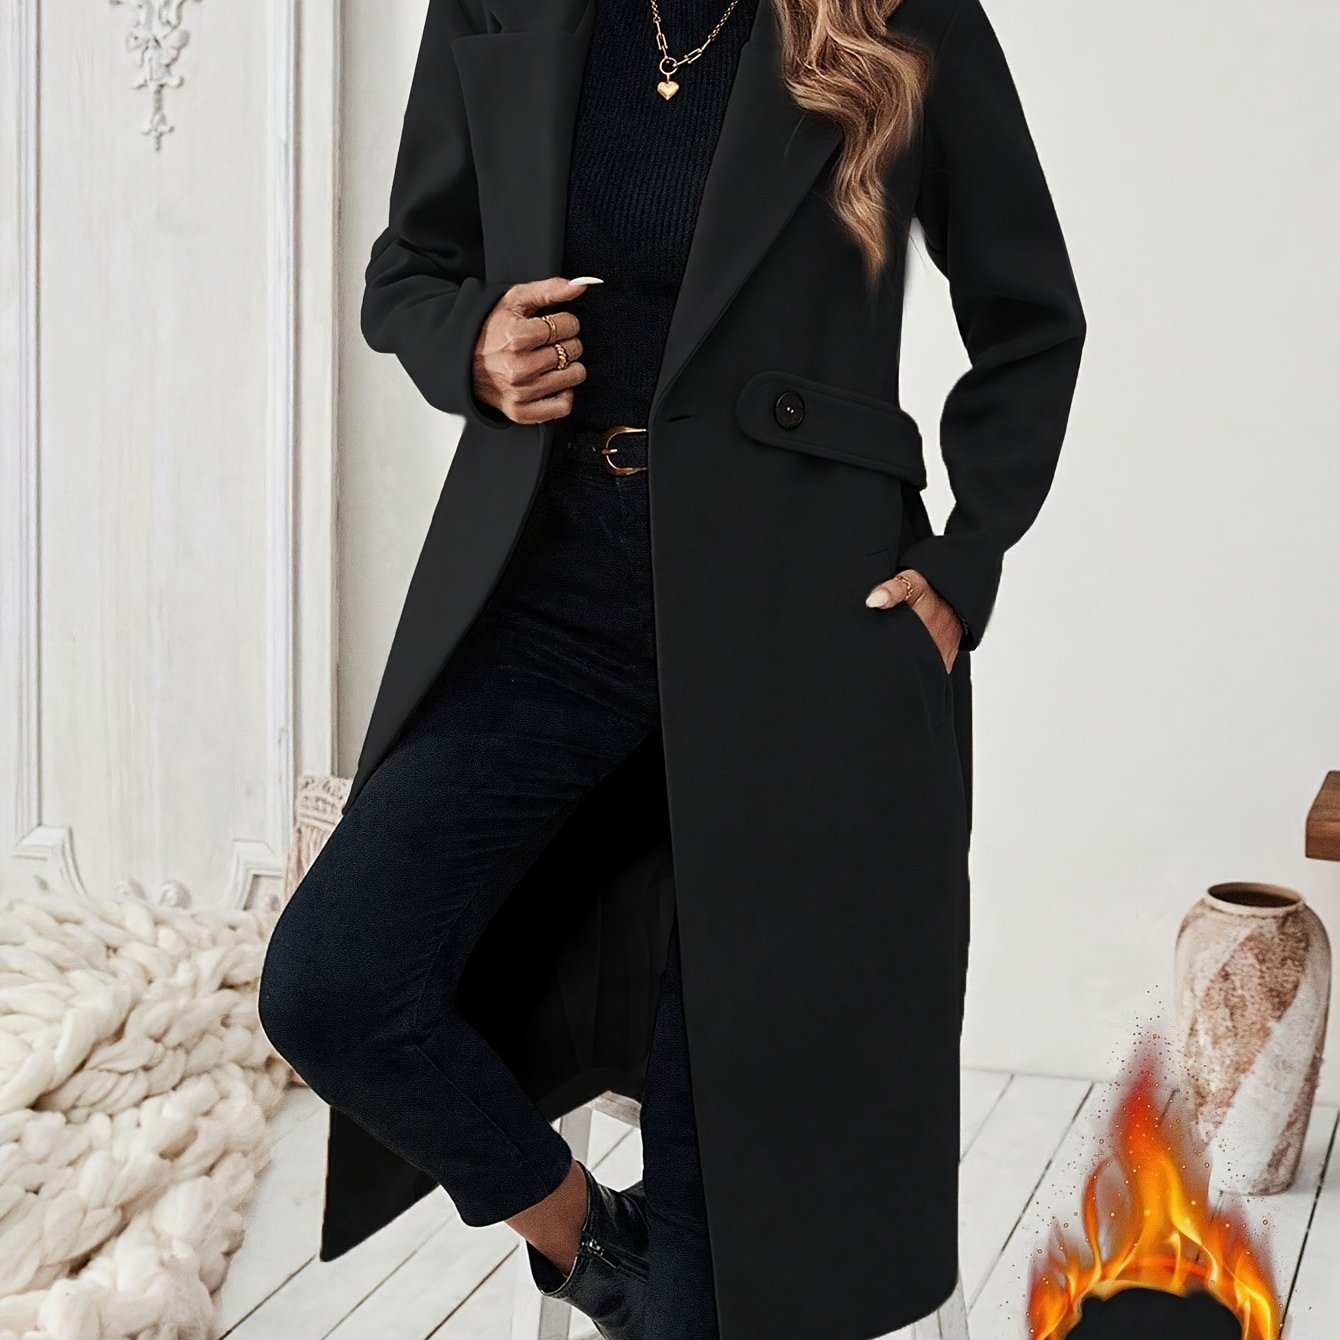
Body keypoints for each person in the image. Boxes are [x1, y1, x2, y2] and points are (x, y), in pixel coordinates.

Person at [258, 0, 1086, 1336]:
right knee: (332, 981)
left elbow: (1029, 314)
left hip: (801, 625)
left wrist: (966, 557)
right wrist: (472, 346)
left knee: (735, 1205)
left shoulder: (896, 12)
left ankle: (678, 1282)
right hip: (551, 595)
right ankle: (590, 1243)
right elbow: (411, 267)